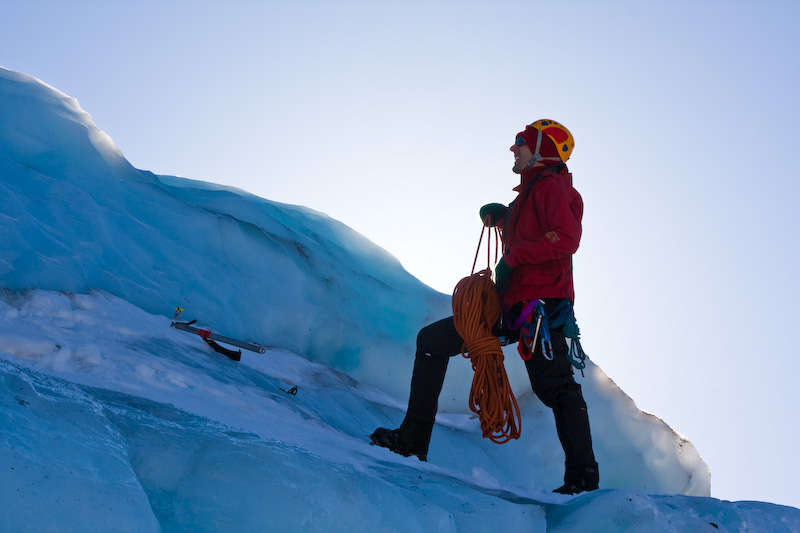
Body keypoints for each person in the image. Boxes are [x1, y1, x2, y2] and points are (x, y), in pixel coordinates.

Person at [370, 119, 599, 495]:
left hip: (539, 308)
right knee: (431, 341)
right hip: (508, 305)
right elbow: (533, 234)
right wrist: (505, 219)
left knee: (555, 387)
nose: (513, 149)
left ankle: (583, 479)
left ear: (542, 150)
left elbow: (565, 239)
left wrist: (513, 258)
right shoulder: (527, 196)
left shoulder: (553, 187)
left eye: (521, 143)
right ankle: (412, 441)